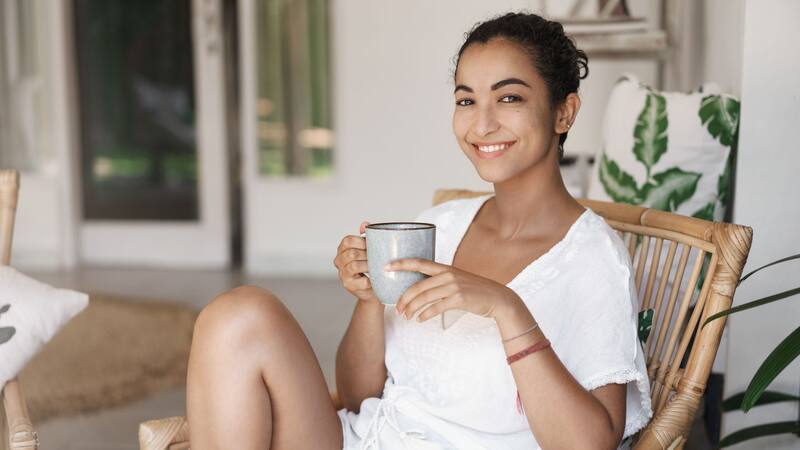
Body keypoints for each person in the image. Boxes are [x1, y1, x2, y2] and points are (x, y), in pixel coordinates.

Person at [186, 12, 652, 450]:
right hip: (366, 439)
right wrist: (369, 300)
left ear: (564, 113)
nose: (483, 122)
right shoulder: (439, 228)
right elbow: (356, 396)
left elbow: (594, 441)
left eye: (509, 98)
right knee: (238, 315)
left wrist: (507, 310)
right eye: (467, 100)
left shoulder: (591, 258)